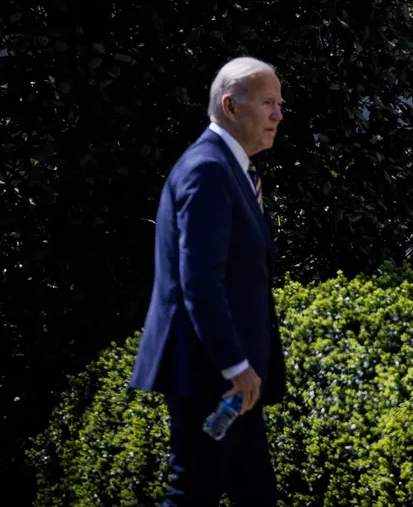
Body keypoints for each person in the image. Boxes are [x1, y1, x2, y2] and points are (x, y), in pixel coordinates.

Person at [128, 57, 286, 506]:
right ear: (231, 105)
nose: (278, 114)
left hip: (234, 378)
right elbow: (199, 281)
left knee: (253, 492)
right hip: (212, 375)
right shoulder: (208, 169)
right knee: (193, 494)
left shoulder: (229, 168)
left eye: (280, 103)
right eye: (268, 103)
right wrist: (234, 365)